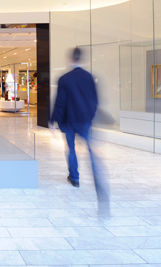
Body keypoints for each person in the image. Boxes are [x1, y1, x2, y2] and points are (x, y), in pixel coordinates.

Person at [50, 47, 109, 215]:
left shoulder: (64, 79)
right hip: (84, 120)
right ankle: (97, 178)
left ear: (71, 59)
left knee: (71, 148)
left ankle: (74, 177)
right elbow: (95, 101)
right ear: (81, 59)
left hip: (69, 120)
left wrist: (53, 121)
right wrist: (89, 116)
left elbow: (60, 102)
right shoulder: (89, 77)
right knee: (90, 149)